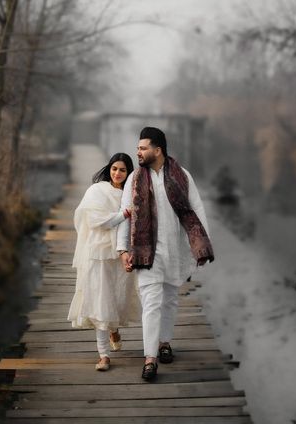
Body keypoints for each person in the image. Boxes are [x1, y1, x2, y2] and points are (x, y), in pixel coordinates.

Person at [117, 127, 214, 381]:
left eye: (142, 148)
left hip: (175, 250)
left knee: (170, 298)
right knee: (151, 303)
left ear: (157, 150)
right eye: (137, 148)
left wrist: (201, 245)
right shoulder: (134, 179)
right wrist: (122, 250)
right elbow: (125, 216)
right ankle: (150, 359)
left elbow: (196, 209)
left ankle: (165, 343)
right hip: (145, 251)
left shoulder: (183, 176)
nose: (137, 152)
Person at [68, 152, 140, 371]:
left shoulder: (131, 195)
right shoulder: (97, 191)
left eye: (123, 170)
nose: (117, 173)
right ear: (109, 169)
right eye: (114, 168)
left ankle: (114, 329)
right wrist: (123, 215)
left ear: (129, 173)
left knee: (118, 298)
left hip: (121, 254)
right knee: (100, 302)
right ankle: (103, 356)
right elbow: (95, 220)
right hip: (98, 253)